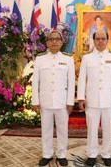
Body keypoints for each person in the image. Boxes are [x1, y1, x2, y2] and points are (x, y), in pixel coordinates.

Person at [77, 30, 111, 167]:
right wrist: (81, 97)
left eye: (103, 38)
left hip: (109, 100)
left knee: (108, 128)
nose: (100, 41)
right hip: (91, 100)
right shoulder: (87, 58)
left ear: (107, 40)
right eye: (98, 38)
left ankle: (106, 154)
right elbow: (81, 79)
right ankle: (92, 154)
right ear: (94, 40)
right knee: (91, 128)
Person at [32, 30, 75, 167]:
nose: (54, 42)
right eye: (51, 39)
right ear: (47, 42)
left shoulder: (68, 59)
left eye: (57, 39)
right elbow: (35, 82)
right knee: (46, 129)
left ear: (62, 42)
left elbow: (71, 82)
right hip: (45, 101)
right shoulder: (40, 59)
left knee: (63, 129)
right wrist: (35, 100)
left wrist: (70, 102)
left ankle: (61, 154)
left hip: (62, 102)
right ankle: (47, 154)